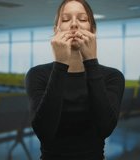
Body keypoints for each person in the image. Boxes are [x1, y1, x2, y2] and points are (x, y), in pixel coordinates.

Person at [25, 0, 125, 159]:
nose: (74, 24)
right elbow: (44, 132)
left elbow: (105, 128)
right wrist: (60, 64)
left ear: (93, 30)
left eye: (83, 19)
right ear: (56, 30)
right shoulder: (37, 74)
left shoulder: (112, 77)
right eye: (65, 19)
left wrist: (91, 61)